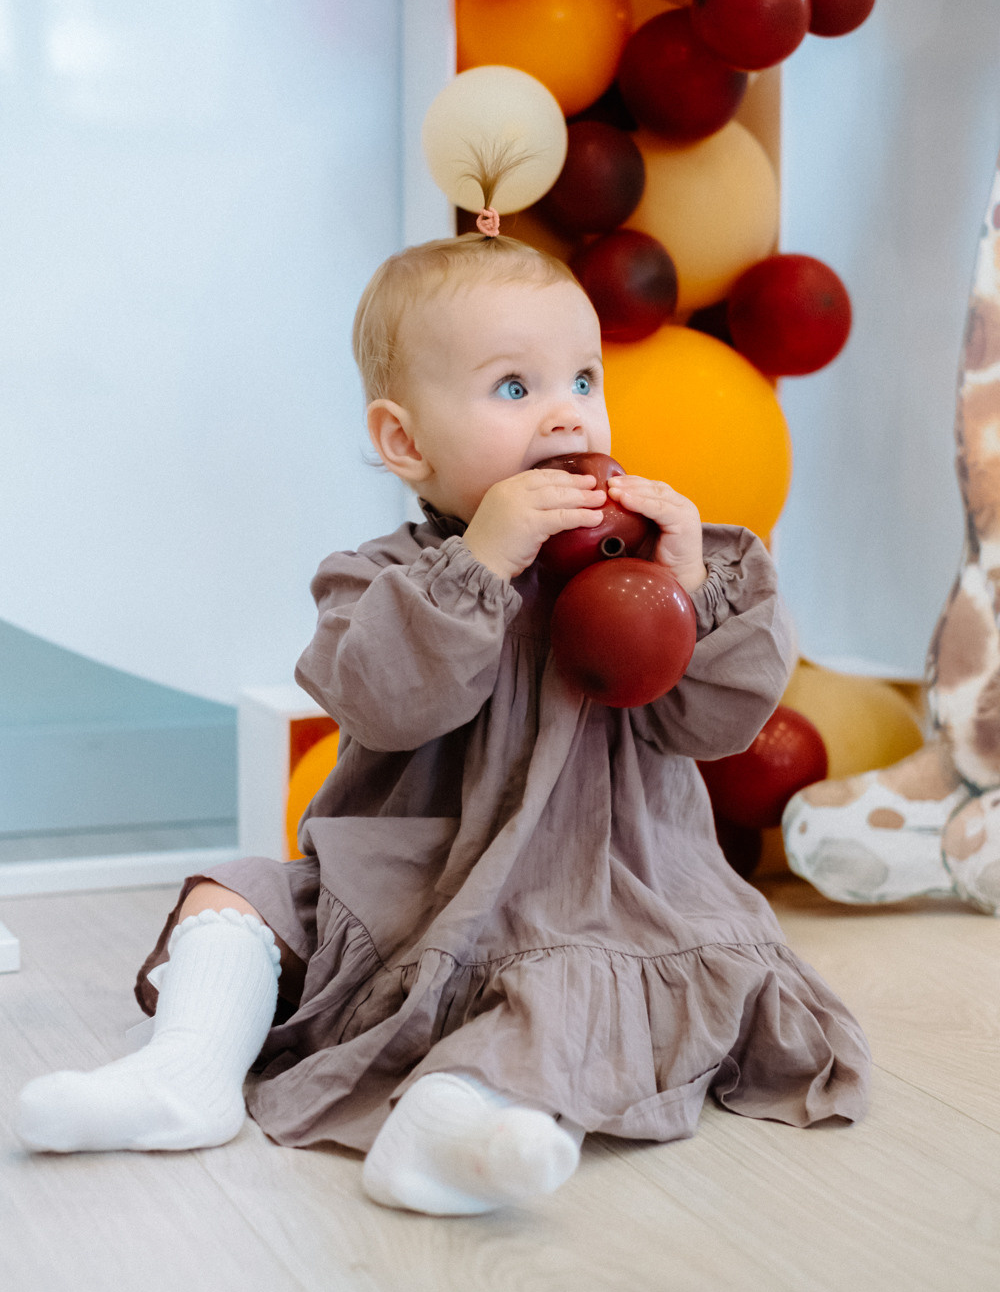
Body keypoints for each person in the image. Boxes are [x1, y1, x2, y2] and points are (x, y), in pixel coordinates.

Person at [17, 180, 870, 1216]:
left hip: (601, 892)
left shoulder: (654, 569)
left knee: (569, 980)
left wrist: (689, 597)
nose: (566, 410)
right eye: (514, 389)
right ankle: (183, 1075)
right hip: (410, 888)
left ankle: (462, 1120)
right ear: (405, 443)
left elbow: (714, 722)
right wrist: (484, 563)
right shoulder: (378, 578)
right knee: (232, 895)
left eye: (583, 379)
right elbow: (385, 704)